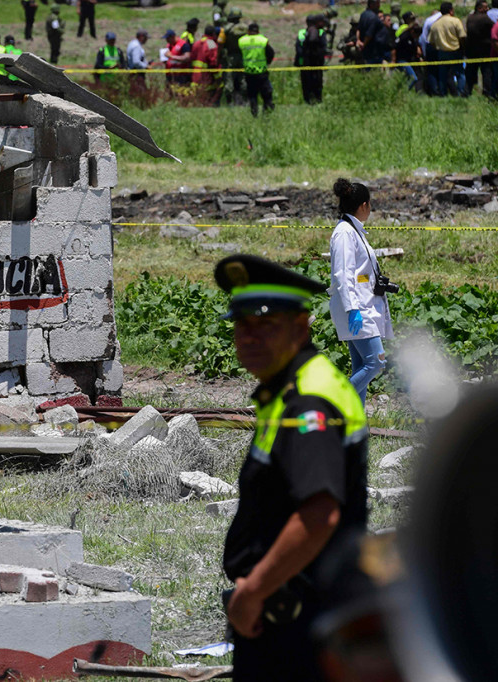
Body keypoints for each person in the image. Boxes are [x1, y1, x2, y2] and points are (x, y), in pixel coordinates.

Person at [215, 253, 369, 682]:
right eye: (242, 324)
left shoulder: (307, 402)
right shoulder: (290, 386)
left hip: (299, 621)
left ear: (301, 328)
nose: (249, 336)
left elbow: (320, 513)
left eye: (266, 324)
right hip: (296, 609)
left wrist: (254, 591)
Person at [328, 178, 394, 404]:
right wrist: (352, 309)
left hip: (361, 307)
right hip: (356, 310)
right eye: (370, 205)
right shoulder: (345, 233)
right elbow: (343, 274)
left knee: (360, 366)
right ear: (364, 205)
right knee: (376, 362)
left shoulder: (353, 231)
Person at [429, 2, 467, 96]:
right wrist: (463, 48)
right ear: (451, 10)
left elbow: (431, 41)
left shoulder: (435, 24)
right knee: (460, 73)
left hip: (442, 52)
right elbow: (462, 36)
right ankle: (461, 92)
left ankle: (443, 93)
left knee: (443, 75)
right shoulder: (455, 21)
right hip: (455, 50)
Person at [239, 23, 274, 117]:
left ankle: (254, 114)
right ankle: (266, 114)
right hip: (261, 72)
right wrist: (268, 62)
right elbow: (271, 53)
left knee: (252, 95)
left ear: (248, 31)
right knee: (266, 94)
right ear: (258, 31)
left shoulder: (242, 41)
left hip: (248, 72)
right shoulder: (262, 40)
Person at [465, 0, 494, 96]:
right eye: (485, 7)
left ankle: (467, 91)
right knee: (486, 72)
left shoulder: (470, 18)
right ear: (479, 8)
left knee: (470, 71)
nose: (487, 9)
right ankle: (487, 92)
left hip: (471, 50)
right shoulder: (485, 18)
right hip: (484, 49)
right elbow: (494, 28)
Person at [301, 14, 328, 104]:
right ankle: (316, 100)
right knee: (316, 83)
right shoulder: (316, 32)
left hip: (306, 62)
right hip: (314, 62)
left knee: (307, 83)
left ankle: (309, 100)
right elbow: (313, 41)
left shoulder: (303, 32)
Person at [191, 25, 221, 105]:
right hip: (207, 78)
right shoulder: (211, 43)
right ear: (214, 34)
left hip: (195, 77)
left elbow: (191, 59)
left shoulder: (197, 43)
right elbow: (213, 62)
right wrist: (218, 78)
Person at [223, 8, 247, 105]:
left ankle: (229, 102)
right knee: (243, 78)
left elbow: (221, 42)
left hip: (230, 56)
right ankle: (245, 101)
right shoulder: (246, 28)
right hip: (243, 55)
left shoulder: (227, 28)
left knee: (229, 78)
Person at [395, 12, 423, 90]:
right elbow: (395, 47)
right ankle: (403, 92)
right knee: (413, 78)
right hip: (401, 60)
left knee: (406, 78)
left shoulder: (412, 38)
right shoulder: (404, 36)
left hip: (408, 60)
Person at [420, 7, 443, 94]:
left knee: (432, 71)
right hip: (443, 47)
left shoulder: (428, 21)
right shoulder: (446, 19)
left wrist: (424, 53)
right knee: (444, 70)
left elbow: (423, 38)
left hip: (431, 47)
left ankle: (434, 91)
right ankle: (443, 90)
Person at [126, 29, 152, 94]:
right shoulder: (136, 46)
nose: (146, 40)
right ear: (141, 37)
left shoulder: (132, 43)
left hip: (133, 73)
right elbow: (136, 62)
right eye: (146, 38)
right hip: (137, 74)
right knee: (141, 93)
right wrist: (146, 66)